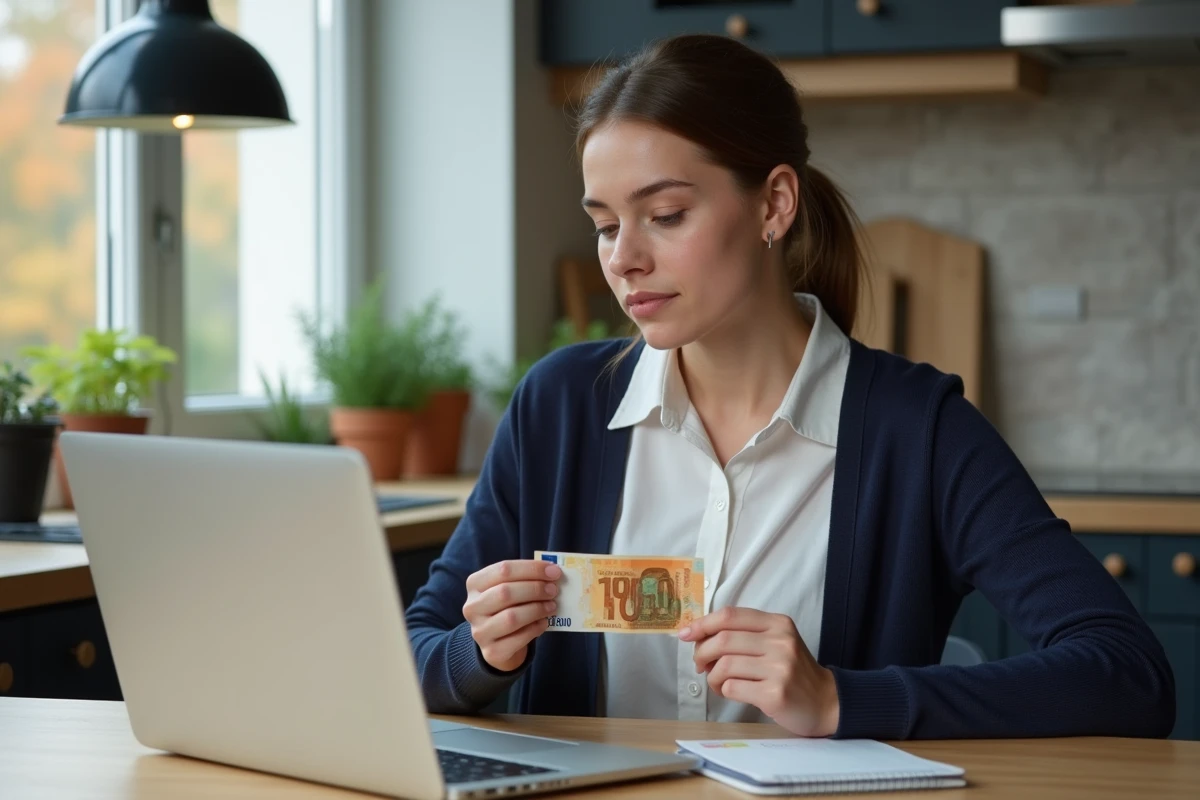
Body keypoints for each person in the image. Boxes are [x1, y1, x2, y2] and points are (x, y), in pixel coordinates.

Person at [404, 34, 1175, 740]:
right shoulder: (558, 407)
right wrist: (478, 655)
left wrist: (839, 698)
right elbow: (412, 652)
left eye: (665, 215)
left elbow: (1128, 673)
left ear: (774, 204)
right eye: (606, 225)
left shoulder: (918, 429)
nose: (624, 259)